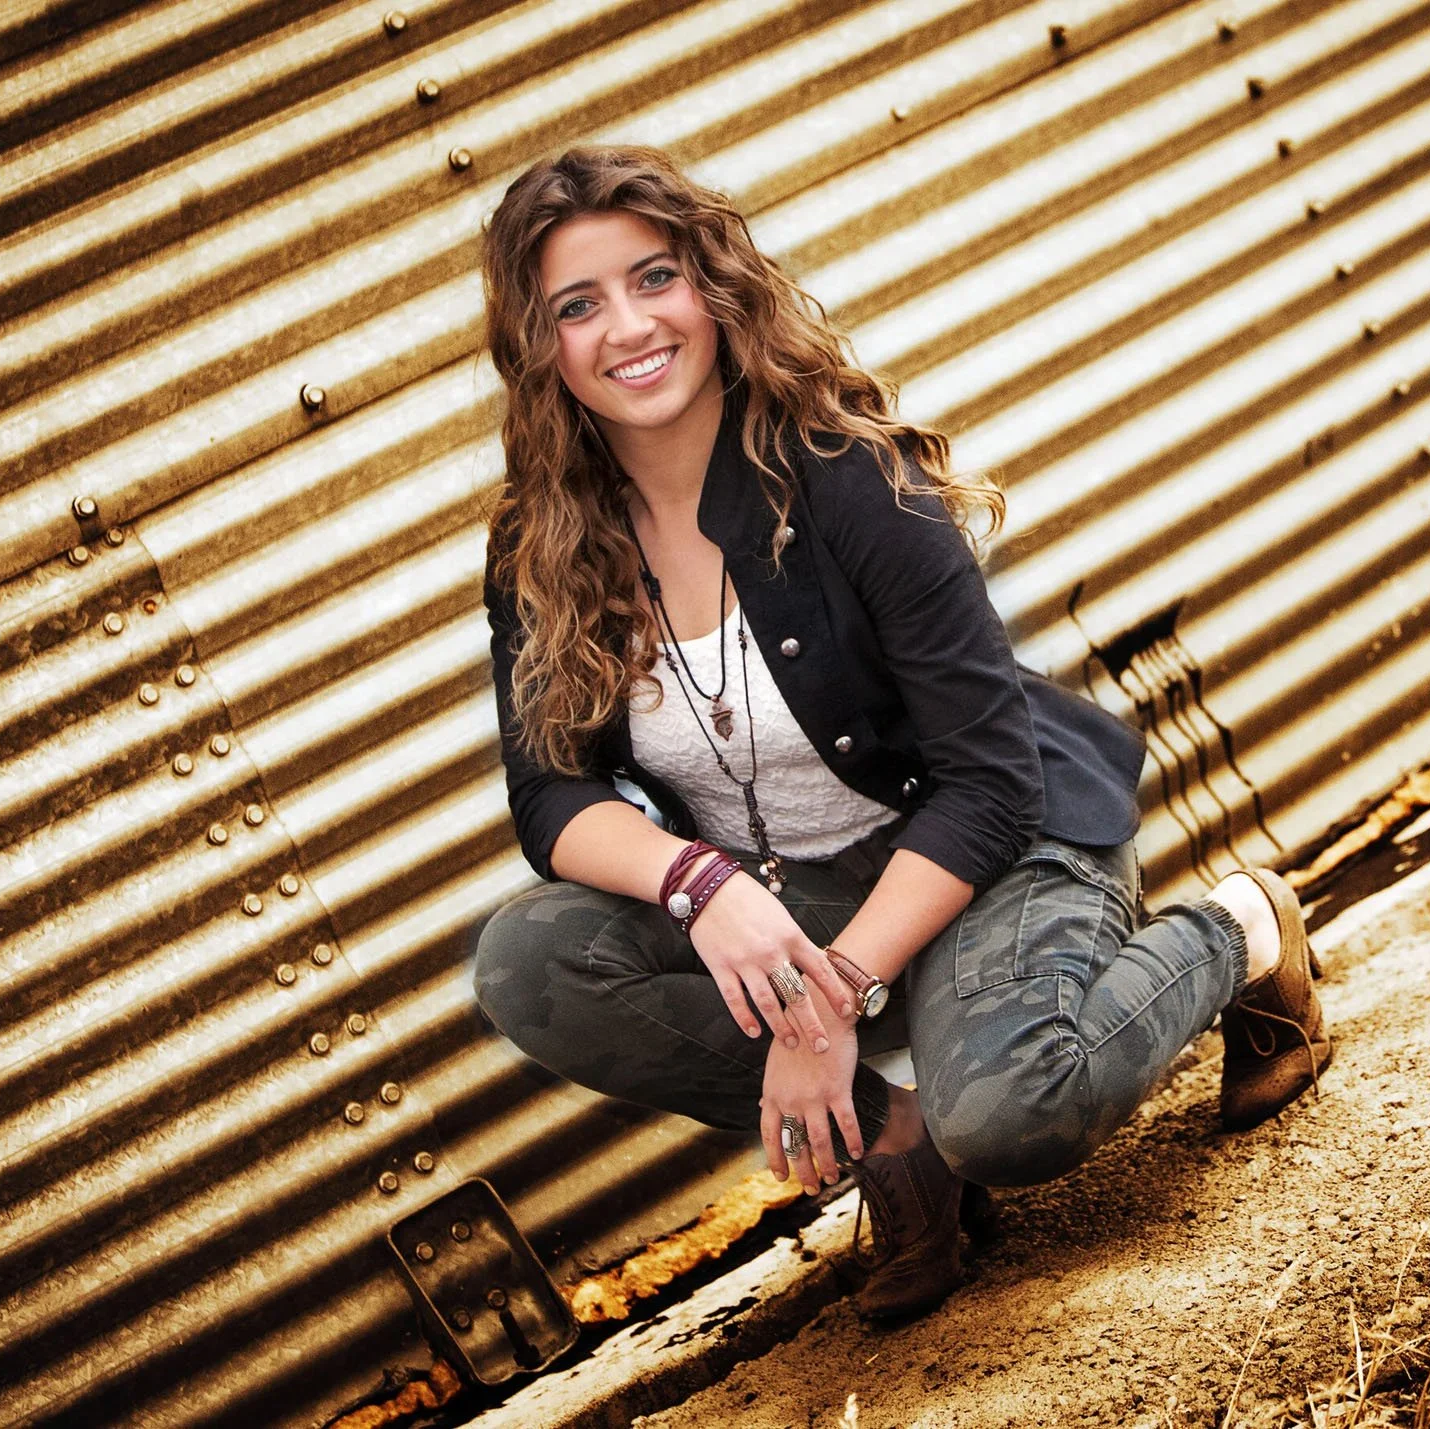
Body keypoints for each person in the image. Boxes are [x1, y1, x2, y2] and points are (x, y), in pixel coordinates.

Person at [470, 144, 1332, 1322]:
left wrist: (824, 1005)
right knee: (532, 963)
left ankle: (1237, 932)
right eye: (577, 305)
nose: (627, 326)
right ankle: (900, 1140)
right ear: (540, 348)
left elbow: (987, 779)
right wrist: (699, 886)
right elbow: (549, 797)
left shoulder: (843, 475)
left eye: (653, 277)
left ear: (711, 287)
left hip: (990, 851)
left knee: (1019, 1118)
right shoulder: (542, 540)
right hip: (791, 895)